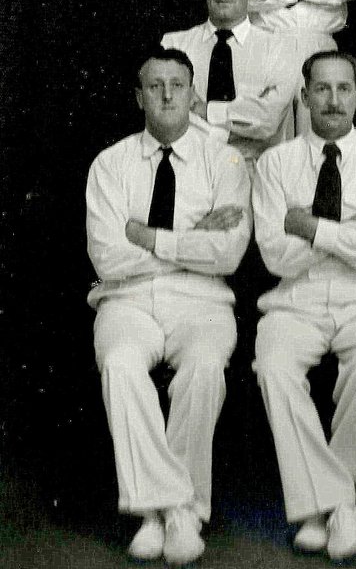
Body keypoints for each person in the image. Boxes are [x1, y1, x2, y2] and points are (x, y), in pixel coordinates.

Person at [85, 48, 251, 565]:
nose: (166, 95)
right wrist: (190, 238)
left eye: (177, 85)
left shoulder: (225, 160)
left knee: (204, 365)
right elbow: (108, 257)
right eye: (154, 86)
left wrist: (147, 236)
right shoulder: (110, 164)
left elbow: (228, 253)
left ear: (193, 93)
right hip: (126, 299)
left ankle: (162, 513)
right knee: (120, 364)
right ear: (139, 97)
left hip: (202, 299)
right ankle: (175, 509)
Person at [252, 51, 356, 561]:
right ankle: (341, 504)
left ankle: (320, 506)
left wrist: (310, 226)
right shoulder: (275, 164)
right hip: (294, 299)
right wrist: (354, 225)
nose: (334, 100)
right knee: (274, 367)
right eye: (322, 89)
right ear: (304, 97)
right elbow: (276, 256)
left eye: (344, 89)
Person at [161, 0, 300, 169]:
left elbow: (268, 121)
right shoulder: (173, 45)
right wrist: (242, 128)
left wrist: (204, 110)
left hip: (257, 177)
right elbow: (168, 119)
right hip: (191, 172)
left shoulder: (279, 48)